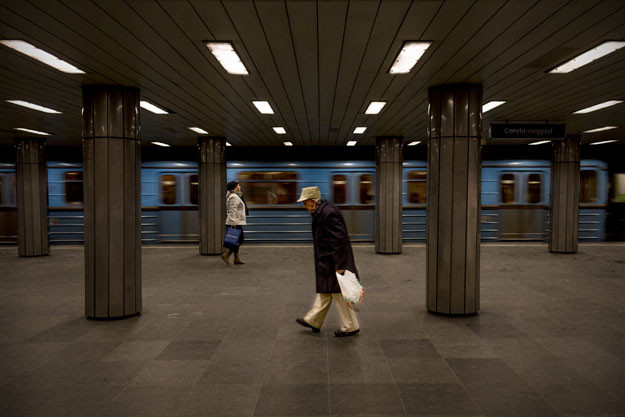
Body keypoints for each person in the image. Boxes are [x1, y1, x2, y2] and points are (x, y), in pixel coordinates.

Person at [295, 186, 360, 337]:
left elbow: (339, 240)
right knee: (326, 291)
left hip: (334, 261)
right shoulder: (321, 211)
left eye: (305, 203)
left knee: (337, 293)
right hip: (327, 259)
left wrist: (340, 266)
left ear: (312, 201)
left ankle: (350, 326)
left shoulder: (329, 213)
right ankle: (313, 320)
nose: (304, 206)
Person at [221, 180, 247, 265]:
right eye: (238, 185)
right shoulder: (233, 197)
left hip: (236, 222)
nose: (240, 187)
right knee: (240, 239)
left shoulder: (235, 195)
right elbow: (232, 210)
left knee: (237, 240)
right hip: (234, 222)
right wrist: (233, 224)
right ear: (235, 187)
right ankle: (227, 255)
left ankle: (236, 258)